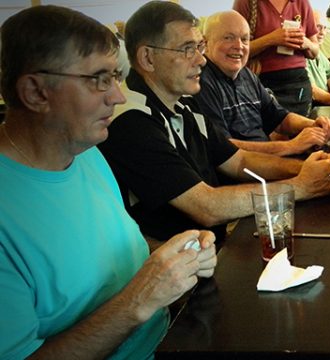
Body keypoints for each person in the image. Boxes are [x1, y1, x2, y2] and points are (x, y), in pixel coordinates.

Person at [0, 6, 217, 359]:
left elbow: (113, 246)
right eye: (99, 79)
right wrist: (142, 298)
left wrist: (177, 256)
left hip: (173, 336)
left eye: (116, 76)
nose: (117, 96)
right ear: (36, 93)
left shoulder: (85, 152)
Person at [98, 1, 330, 245]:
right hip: (182, 265)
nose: (201, 60)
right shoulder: (131, 120)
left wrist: (310, 169)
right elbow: (206, 206)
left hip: (213, 246)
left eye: (199, 46)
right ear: (147, 58)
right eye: (187, 49)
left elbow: (239, 161)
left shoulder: (183, 102)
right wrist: (300, 186)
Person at [197, 10, 330, 157]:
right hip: (244, 171)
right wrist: (291, 146)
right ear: (205, 43)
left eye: (245, 39)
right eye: (228, 38)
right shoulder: (201, 82)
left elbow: (280, 119)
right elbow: (224, 148)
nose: (239, 46)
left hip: (265, 161)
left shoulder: (247, 75)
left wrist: (314, 125)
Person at [232, 0, 318, 116]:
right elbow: (235, 49)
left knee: (301, 130)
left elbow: (315, 51)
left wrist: (306, 43)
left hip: (298, 86)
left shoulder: (301, 2)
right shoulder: (246, 3)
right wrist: (271, 39)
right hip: (261, 85)